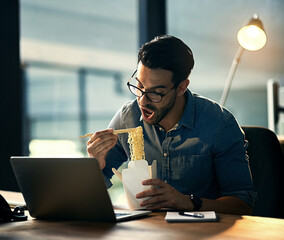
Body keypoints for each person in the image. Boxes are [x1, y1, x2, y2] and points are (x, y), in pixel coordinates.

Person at [86, 35, 256, 215]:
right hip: (147, 230)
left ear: (181, 88)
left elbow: (242, 203)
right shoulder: (128, 117)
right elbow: (88, 193)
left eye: (156, 93)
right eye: (139, 86)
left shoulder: (219, 124)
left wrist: (188, 202)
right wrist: (94, 164)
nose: (142, 101)